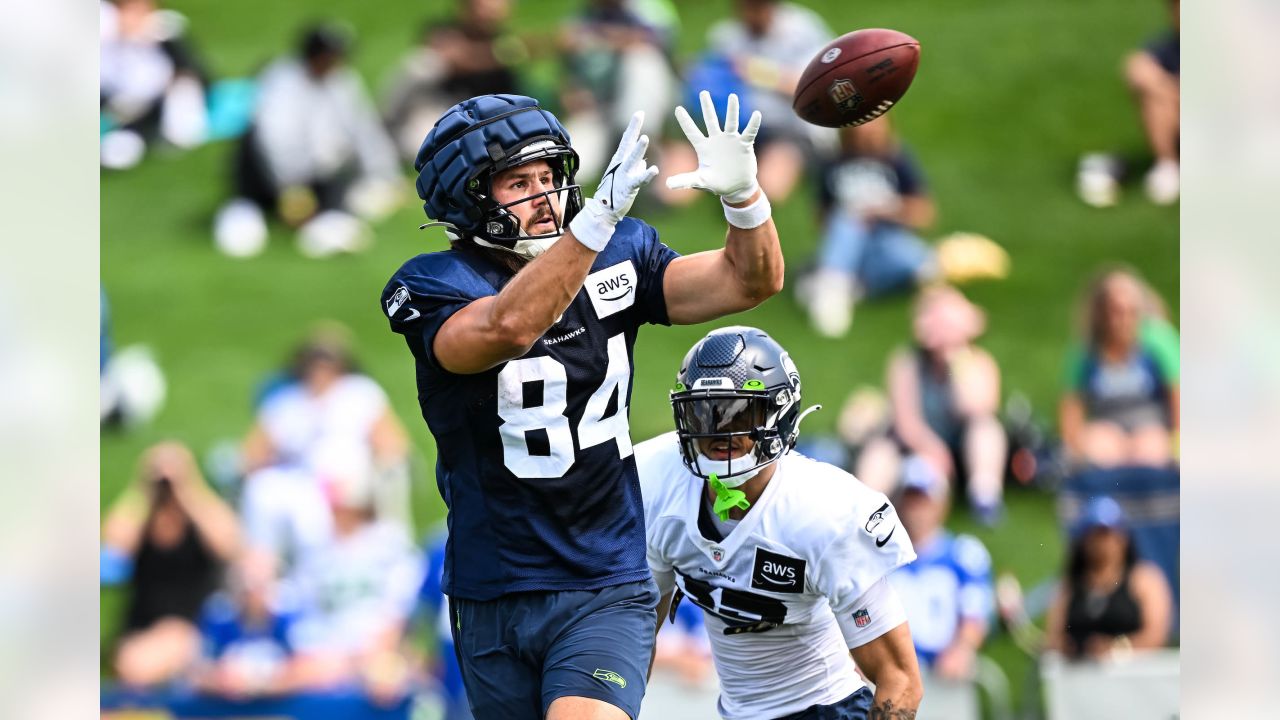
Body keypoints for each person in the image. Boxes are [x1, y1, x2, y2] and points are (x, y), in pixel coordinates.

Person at [381, 89, 783, 720]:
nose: (544, 197)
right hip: (494, 583)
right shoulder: (432, 283)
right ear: (469, 196)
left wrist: (745, 200)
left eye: (550, 176)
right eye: (519, 181)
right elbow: (504, 330)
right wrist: (592, 225)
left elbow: (748, 280)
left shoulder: (618, 250)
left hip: (606, 574)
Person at [637, 326, 922, 720]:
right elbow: (636, 635)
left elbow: (900, 680)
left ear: (779, 415)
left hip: (826, 709)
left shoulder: (822, 511)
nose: (720, 431)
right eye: (704, 412)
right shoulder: (658, 483)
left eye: (738, 412)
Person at [213, 23, 403, 259]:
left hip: (319, 177)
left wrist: (385, 174)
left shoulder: (343, 81)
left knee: (342, 215)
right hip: (268, 176)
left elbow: (363, 129)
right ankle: (248, 212)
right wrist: (291, 189)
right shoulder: (280, 79)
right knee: (243, 232)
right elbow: (274, 139)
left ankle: (326, 221)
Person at [856, 285, 1007, 523]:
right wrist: (933, 449)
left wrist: (955, 360)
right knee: (881, 450)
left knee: (986, 430)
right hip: (920, 448)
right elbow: (906, 422)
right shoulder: (907, 363)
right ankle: (864, 508)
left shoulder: (979, 362)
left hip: (963, 448)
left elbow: (977, 407)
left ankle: (985, 496)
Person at [661, 0, 832, 205]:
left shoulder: (803, 30)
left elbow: (817, 87)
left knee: (768, 188)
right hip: (734, 126)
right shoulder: (726, 35)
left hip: (787, 128)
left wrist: (755, 71)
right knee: (675, 184)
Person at [102, 441, 240, 687]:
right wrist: (143, 489)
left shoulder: (199, 520)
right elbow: (113, 544)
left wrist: (187, 488)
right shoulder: (143, 520)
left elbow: (229, 544)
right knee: (138, 658)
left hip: (194, 627)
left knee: (154, 651)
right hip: (141, 627)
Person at [802, 116, 935, 337]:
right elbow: (822, 218)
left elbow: (924, 214)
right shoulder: (834, 163)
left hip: (886, 238)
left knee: (923, 261)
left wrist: (886, 210)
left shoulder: (896, 160)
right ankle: (832, 290)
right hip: (849, 240)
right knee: (848, 220)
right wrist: (855, 216)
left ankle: (839, 283)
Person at [1059, 268, 1179, 468]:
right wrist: (1074, 447)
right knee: (1099, 450)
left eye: (1130, 312)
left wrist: (1177, 439)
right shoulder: (1087, 351)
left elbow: (1177, 393)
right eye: (1116, 312)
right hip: (1107, 424)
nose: (1123, 321)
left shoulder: (1159, 342)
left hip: (1151, 423)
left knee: (1148, 452)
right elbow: (1072, 405)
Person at [887, 461, 993, 681]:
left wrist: (962, 649)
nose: (915, 510)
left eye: (922, 501)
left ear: (941, 505)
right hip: (891, 673)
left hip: (943, 672)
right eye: (910, 500)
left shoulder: (963, 554)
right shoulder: (881, 558)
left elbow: (976, 613)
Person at [383, 0, 523, 162]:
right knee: (422, 64)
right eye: (483, 7)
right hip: (429, 108)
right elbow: (454, 56)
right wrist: (504, 53)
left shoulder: (504, 42)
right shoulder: (444, 30)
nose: (487, 14)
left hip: (467, 117)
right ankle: (383, 128)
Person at [1043, 496, 1172, 660]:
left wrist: (1115, 650)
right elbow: (1053, 638)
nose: (1101, 542)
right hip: (1078, 675)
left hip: (1134, 675)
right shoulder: (1070, 585)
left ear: (1123, 538)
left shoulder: (1144, 580)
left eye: (1106, 534)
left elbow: (1156, 635)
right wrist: (1070, 649)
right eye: (1094, 534)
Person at [100, 0, 209, 169]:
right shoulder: (105, 34)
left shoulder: (164, 32)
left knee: (183, 120)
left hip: (158, 100)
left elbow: (193, 71)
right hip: (116, 103)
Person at [191, 551, 305, 700]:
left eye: (261, 583)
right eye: (248, 582)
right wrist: (222, 680)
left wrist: (258, 684)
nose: (254, 592)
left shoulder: (291, 612)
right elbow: (196, 673)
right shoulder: (219, 614)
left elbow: (312, 667)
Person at [1126, 0, 1180, 205]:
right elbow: (1135, 68)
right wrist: (1169, 90)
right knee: (1154, 96)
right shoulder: (1169, 48)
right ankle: (1168, 167)